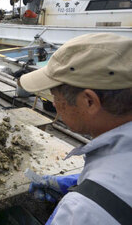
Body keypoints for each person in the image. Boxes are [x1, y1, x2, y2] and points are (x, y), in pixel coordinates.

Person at [19, 33, 132, 224]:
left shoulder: (81, 212)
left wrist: (88, 196)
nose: (54, 104)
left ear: (89, 102)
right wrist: (81, 180)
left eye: (55, 95)